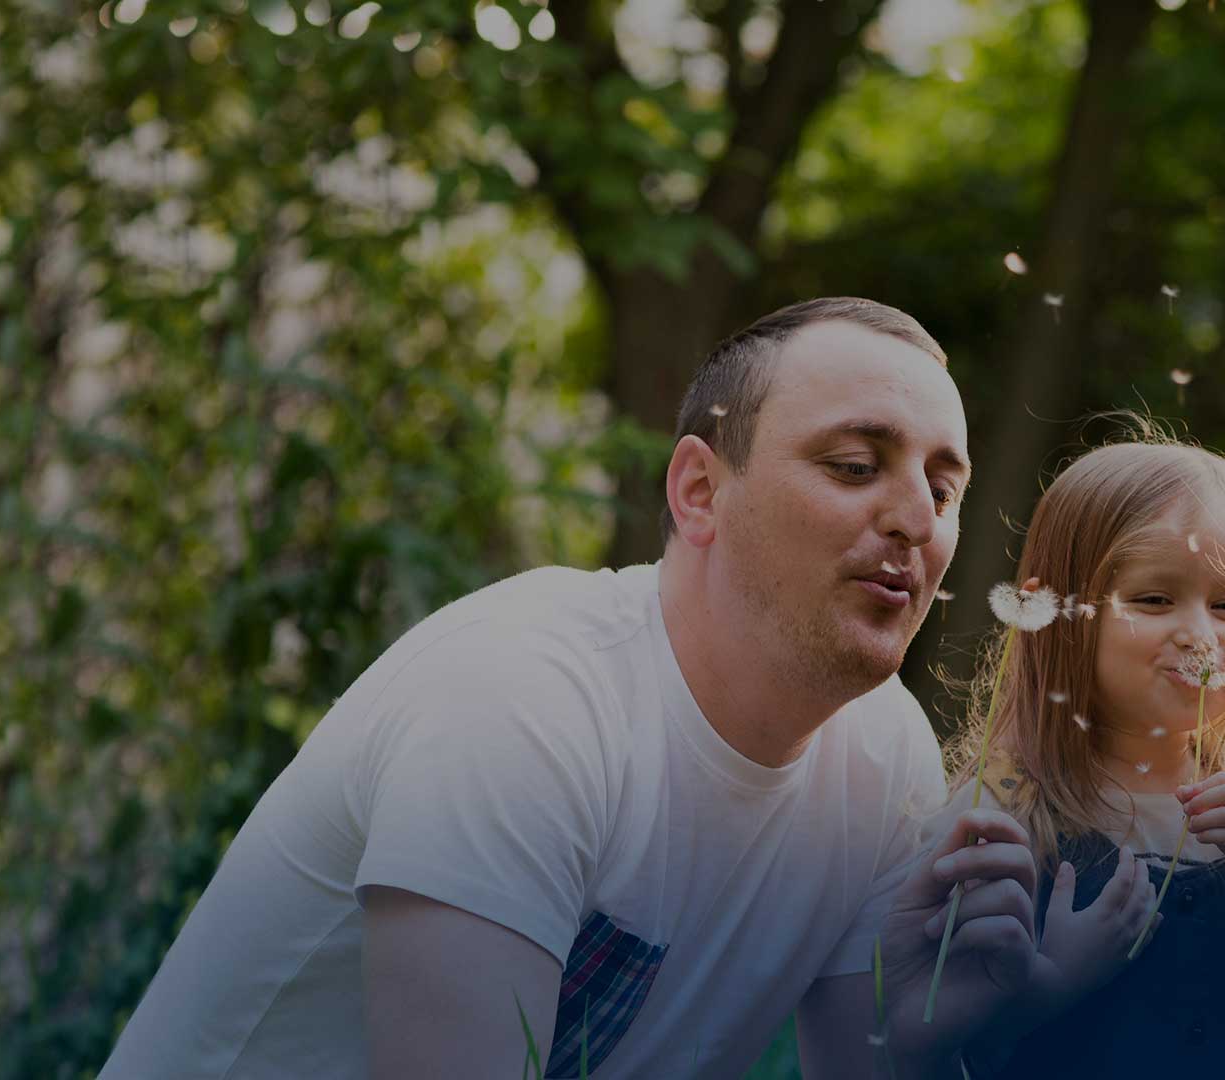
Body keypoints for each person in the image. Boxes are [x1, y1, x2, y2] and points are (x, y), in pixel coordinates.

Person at [101, 298, 1044, 1080]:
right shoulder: (521, 703)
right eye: (854, 466)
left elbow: (856, 1064)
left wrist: (951, 1014)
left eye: (945, 489)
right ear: (700, 493)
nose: (918, 518)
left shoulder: (882, 757)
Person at [929, 436, 1225, 1078]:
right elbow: (941, 1033)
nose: (1201, 634)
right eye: (1154, 599)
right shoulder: (1006, 801)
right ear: (1053, 613)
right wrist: (1052, 980)